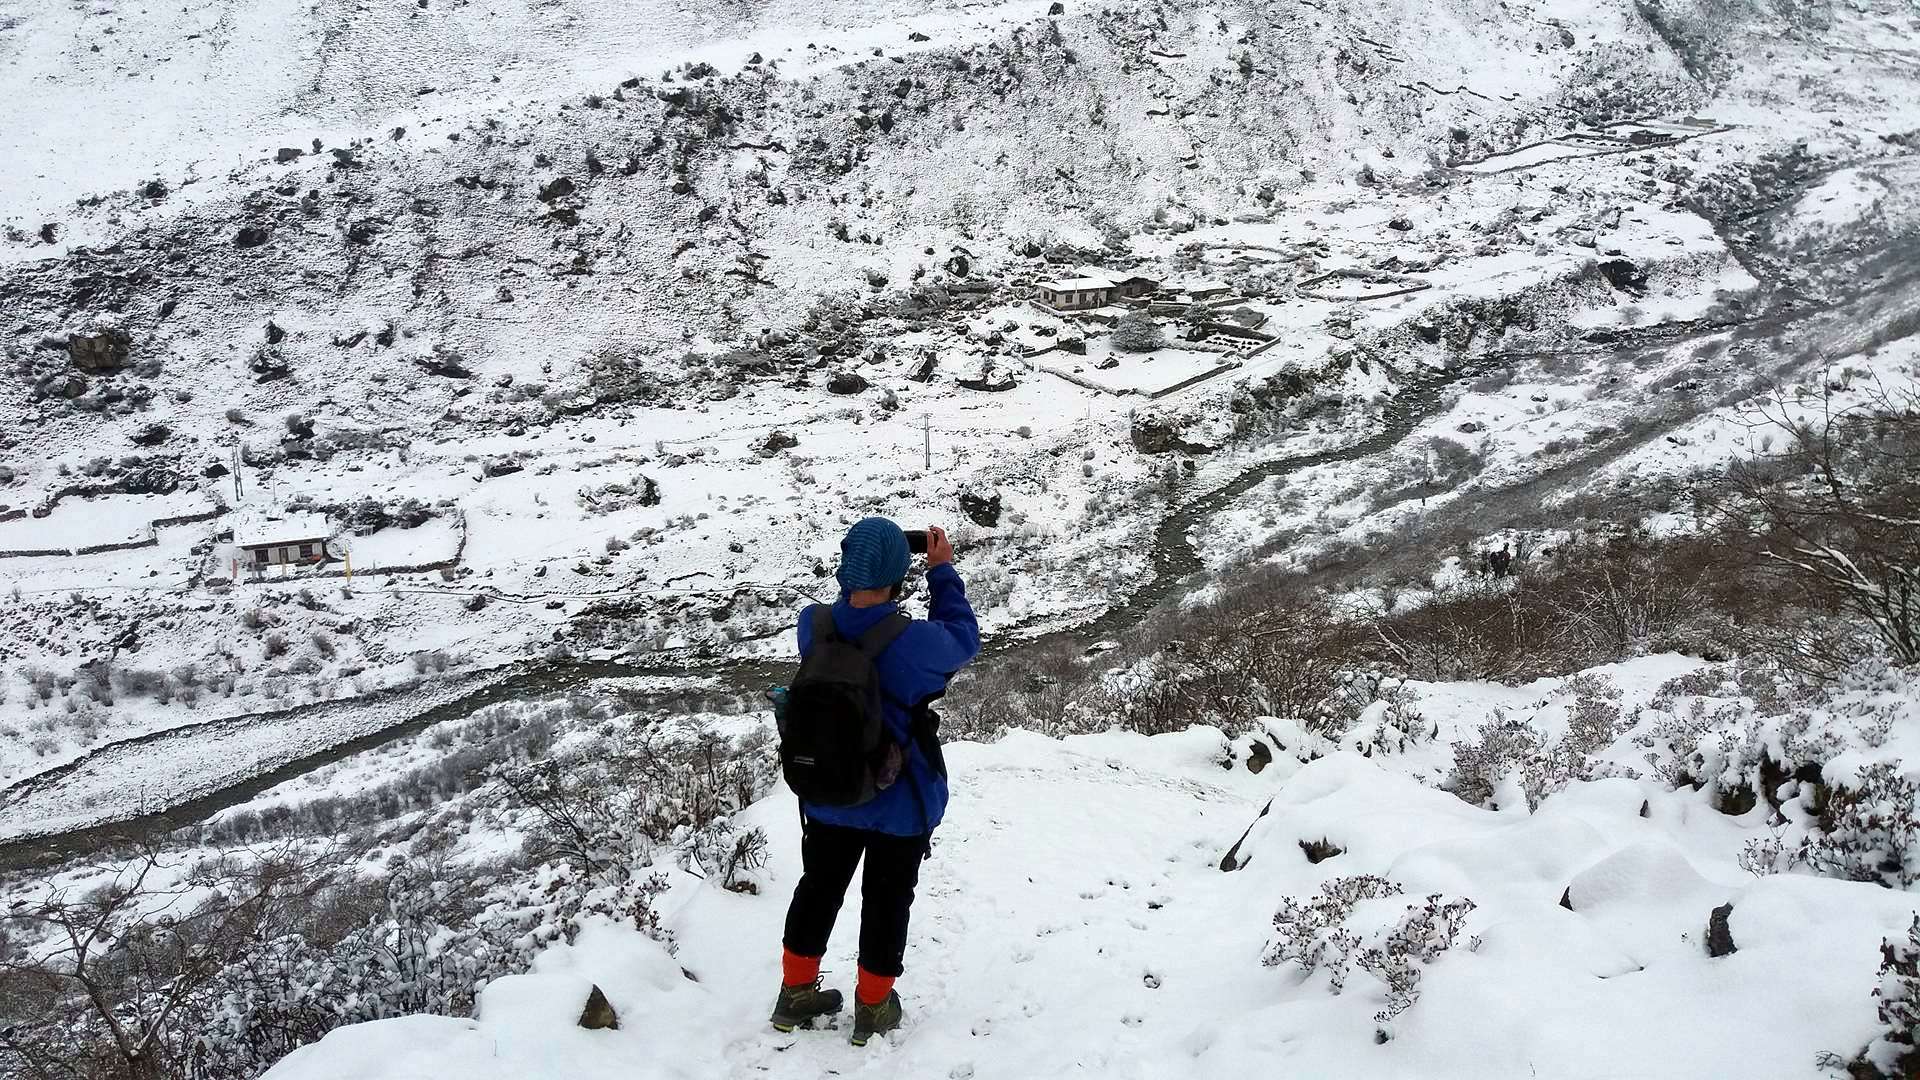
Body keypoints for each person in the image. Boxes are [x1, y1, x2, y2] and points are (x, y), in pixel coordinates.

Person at [770, 517, 980, 1046]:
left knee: (818, 888)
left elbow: (846, 618)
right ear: (896, 574)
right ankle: (873, 1007)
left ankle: (795, 995)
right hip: (897, 801)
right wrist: (941, 571)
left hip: (828, 791)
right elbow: (963, 638)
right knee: (887, 901)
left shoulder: (813, 626)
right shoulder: (917, 642)